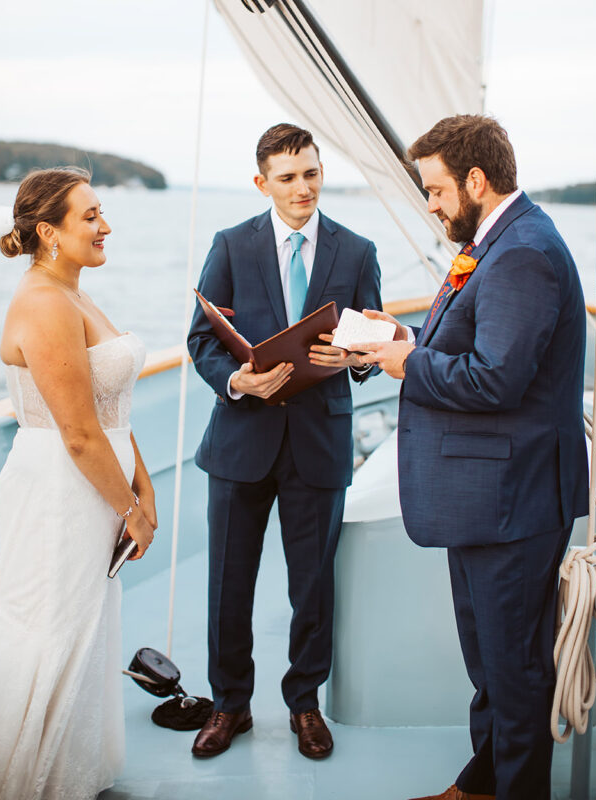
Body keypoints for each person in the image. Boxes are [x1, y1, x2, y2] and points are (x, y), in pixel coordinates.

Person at [353, 116, 588, 800]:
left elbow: (494, 378)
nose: (429, 205)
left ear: (475, 181)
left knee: (513, 673)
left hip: (511, 501)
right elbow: (473, 338)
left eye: (434, 190)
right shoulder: (500, 241)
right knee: (489, 661)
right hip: (487, 499)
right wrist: (406, 336)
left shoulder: (520, 253)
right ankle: (480, 784)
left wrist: (406, 364)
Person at [0, 168, 157, 800]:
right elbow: (77, 432)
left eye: (102, 213)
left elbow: (111, 412)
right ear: (48, 231)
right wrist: (131, 506)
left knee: (80, 624)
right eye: (91, 216)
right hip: (61, 491)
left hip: (96, 481)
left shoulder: (74, 290)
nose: (106, 226)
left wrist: (144, 488)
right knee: (47, 624)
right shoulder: (42, 302)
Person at [187, 123, 382, 760]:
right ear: (262, 182)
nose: (304, 187)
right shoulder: (230, 246)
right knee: (228, 583)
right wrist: (236, 378)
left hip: (318, 444)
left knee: (312, 587)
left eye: (312, 173)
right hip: (242, 439)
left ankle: (304, 704)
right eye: (289, 177)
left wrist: (358, 355)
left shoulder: (356, 252)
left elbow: (370, 352)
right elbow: (201, 341)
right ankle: (229, 705)